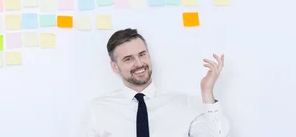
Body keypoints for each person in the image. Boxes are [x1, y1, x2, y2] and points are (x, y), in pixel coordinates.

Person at [80, 28, 230, 137]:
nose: (139, 63)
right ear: (114, 66)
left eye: (142, 54)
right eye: (128, 59)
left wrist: (207, 92)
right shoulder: (98, 109)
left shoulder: (185, 104)